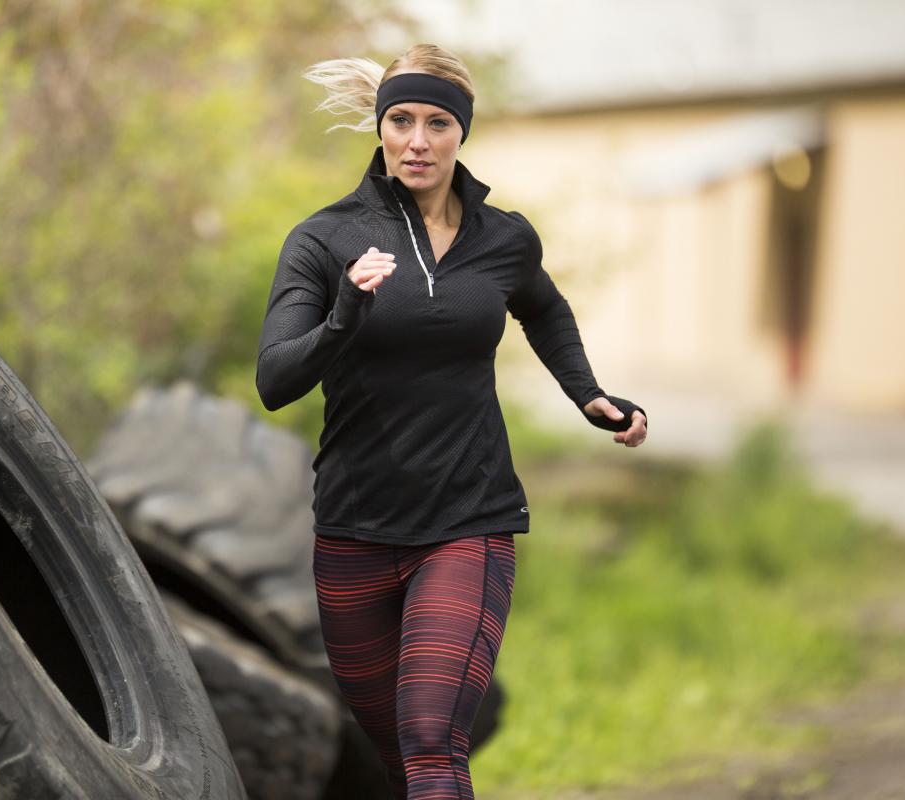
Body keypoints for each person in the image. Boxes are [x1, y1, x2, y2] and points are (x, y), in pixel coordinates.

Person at [255, 43, 647, 800]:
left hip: (468, 520)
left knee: (433, 741)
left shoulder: (504, 238)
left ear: (461, 132)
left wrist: (587, 393)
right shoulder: (325, 239)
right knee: (395, 755)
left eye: (438, 122)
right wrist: (345, 314)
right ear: (380, 127)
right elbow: (276, 380)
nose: (418, 139)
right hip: (354, 529)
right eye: (401, 119)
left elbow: (544, 308)